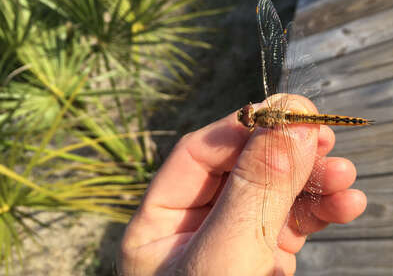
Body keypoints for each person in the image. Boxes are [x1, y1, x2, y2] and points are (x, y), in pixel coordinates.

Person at [117, 96, 367, 275]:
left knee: (276, 166)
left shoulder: (267, 131)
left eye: (247, 113)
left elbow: (265, 168)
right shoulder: (267, 128)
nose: (246, 114)